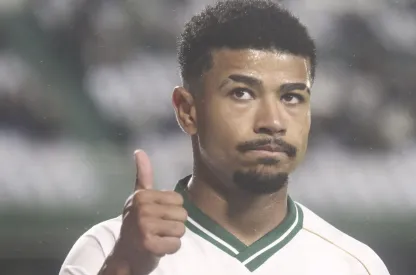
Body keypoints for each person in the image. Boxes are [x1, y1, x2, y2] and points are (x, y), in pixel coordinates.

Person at [59, 1, 390, 274]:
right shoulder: (108, 249)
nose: (273, 121)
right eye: (242, 93)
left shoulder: (354, 265)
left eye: (291, 97)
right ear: (188, 111)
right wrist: (126, 267)